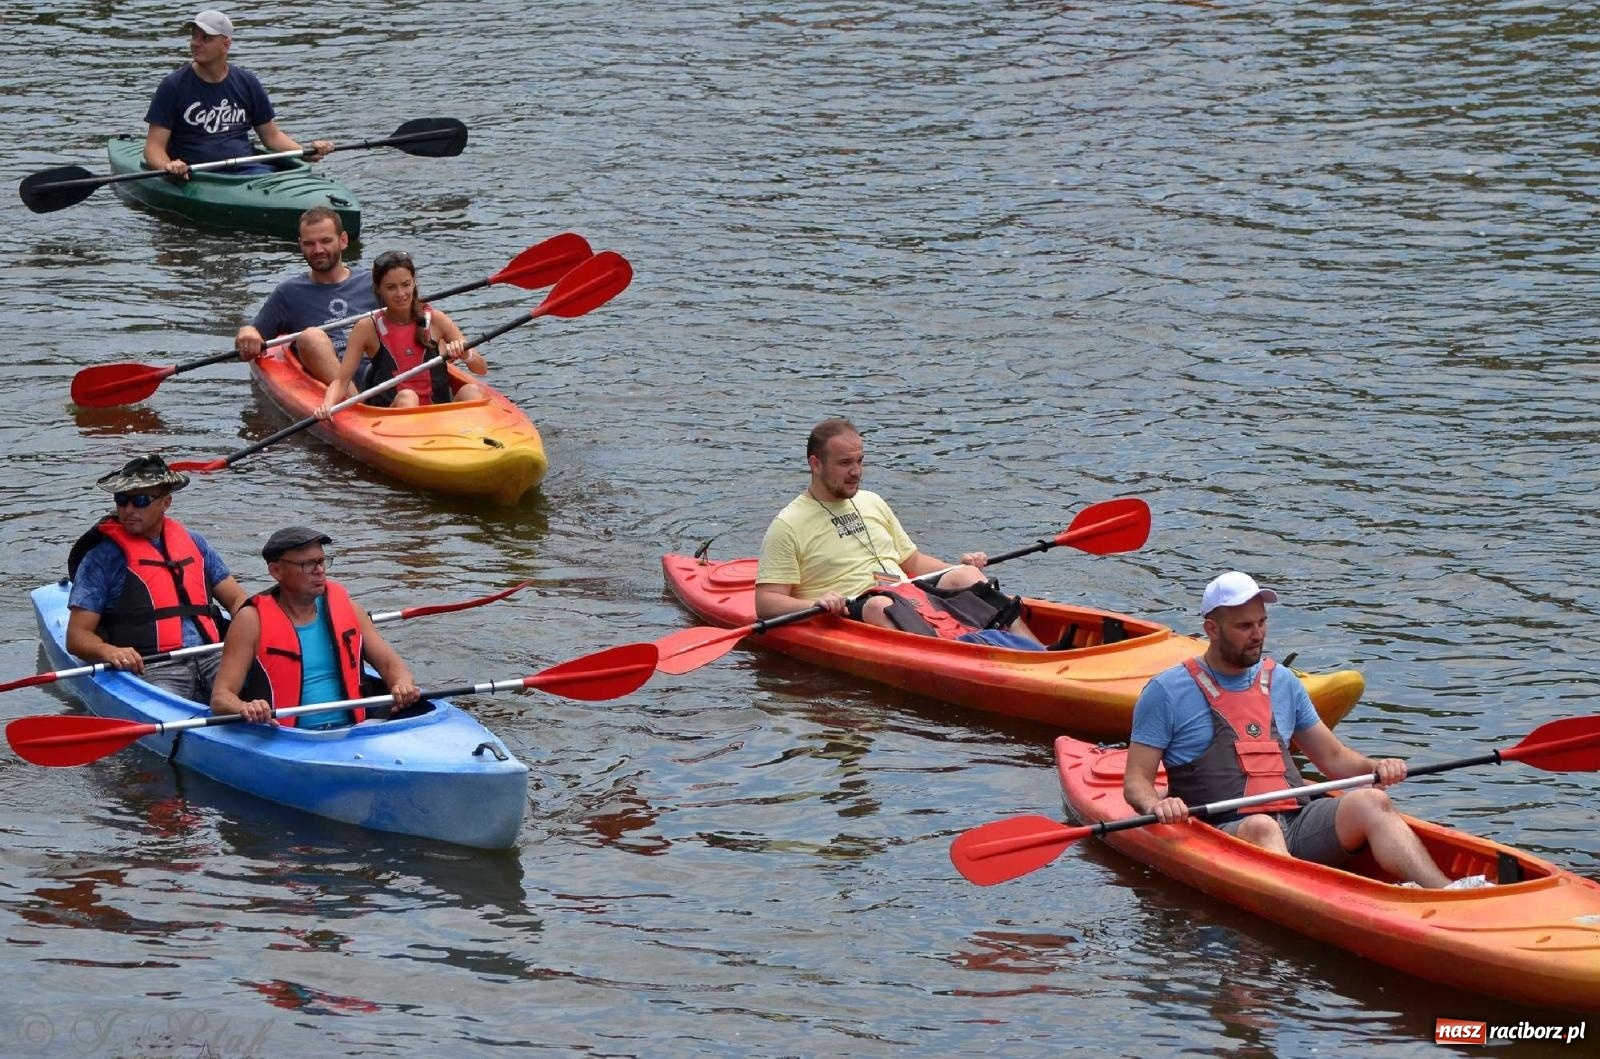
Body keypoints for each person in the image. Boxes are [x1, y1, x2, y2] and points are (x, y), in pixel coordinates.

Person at [1124, 571, 1484, 889]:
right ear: (1212, 630)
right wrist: (1158, 805)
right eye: (1244, 626)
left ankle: (1448, 893)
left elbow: (1333, 758)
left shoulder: (1282, 681)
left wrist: (1376, 768)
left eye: (1262, 623)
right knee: (1262, 826)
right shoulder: (1167, 691)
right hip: (1223, 833)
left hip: (1296, 823)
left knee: (1372, 801)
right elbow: (1136, 782)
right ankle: (1307, 902)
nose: (1258, 634)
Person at [753, 418, 1042, 647]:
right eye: (845, 463)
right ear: (815, 464)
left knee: (966, 576)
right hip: (858, 608)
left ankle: (1037, 651)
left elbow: (913, 563)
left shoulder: (872, 501)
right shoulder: (788, 524)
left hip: (906, 595)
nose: (856, 472)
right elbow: (766, 602)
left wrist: (961, 565)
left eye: (859, 461)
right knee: (881, 604)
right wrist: (815, 603)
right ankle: (952, 657)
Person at [66, 454, 249, 701]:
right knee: (170, 699)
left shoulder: (194, 542)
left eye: (140, 501)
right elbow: (77, 637)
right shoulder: (102, 557)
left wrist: (247, 633)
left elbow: (237, 600)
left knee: (260, 686)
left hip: (213, 655)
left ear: (166, 503)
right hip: (153, 665)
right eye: (122, 500)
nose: (128, 510)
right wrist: (107, 651)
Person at [210, 527, 421, 729]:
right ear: (276, 571)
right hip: (285, 736)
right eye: (307, 564)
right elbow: (221, 698)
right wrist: (245, 707)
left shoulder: (348, 609)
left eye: (321, 561)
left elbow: (390, 665)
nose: (319, 570)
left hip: (356, 730)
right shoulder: (251, 620)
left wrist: (401, 684)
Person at [143, 10, 332, 179]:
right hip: (199, 176)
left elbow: (272, 137)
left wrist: (305, 152)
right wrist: (168, 165)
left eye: (206, 38)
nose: (195, 44)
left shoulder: (247, 82)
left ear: (226, 44)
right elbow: (153, 148)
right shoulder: (173, 86)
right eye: (194, 36)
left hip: (247, 172)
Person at [320, 250, 487, 415]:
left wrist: (466, 354)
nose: (401, 294)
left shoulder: (437, 320)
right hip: (396, 420)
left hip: (440, 416)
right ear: (378, 289)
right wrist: (328, 404)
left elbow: (481, 369)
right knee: (408, 397)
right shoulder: (367, 328)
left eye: (406, 285)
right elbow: (341, 381)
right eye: (391, 287)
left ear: (414, 282)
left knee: (472, 391)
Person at [235, 207, 375, 384]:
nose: (318, 250)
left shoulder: (374, 283)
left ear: (343, 240)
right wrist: (246, 333)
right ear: (301, 245)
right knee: (312, 337)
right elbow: (253, 337)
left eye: (326, 241)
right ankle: (354, 404)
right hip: (331, 381)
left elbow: (410, 319)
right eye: (310, 243)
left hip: (378, 372)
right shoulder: (289, 293)